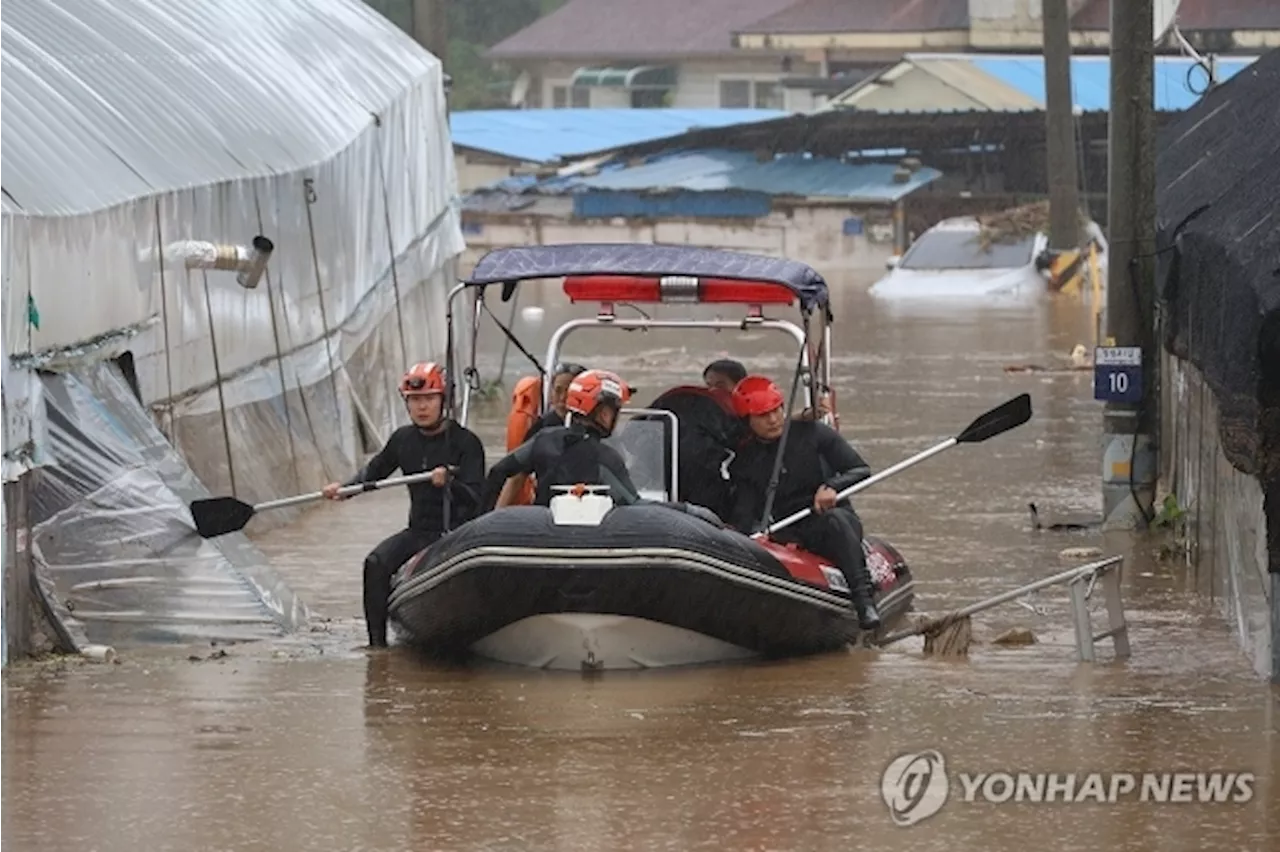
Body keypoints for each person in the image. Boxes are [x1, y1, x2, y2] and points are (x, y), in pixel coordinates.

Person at [322, 362, 486, 649]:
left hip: (459, 533)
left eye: (429, 399)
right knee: (375, 563)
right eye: (415, 401)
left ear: (443, 401)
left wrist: (449, 482)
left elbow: (477, 498)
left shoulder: (466, 443)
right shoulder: (403, 439)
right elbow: (373, 474)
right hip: (421, 530)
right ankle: (377, 648)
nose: (422, 408)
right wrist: (343, 489)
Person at [724, 375, 881, 630]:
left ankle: (864, 601)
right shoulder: (746, 460)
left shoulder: (814, 433)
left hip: (831, 518)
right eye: (763, 415)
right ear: (748, 421)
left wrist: (832, 487)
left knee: (835, 521)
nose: (773, 420)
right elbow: (745, 510)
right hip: (789, 526)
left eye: (777, 411)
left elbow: (860, 469)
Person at [482, 368, 641, 511]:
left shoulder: (542, 439)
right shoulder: (607, 458)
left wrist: (492, 517)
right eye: (615, 411)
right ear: (604, 414)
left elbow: (499, 471)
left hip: (541, 529)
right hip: (587, 537)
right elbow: (632, 505)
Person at [703, 358, 831, 422]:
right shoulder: (704, 415)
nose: (713, 391)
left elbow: (778, 423)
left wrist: (807, 415)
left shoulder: (752, 414)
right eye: (709, 386)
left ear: (739, 386)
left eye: (720, 386)